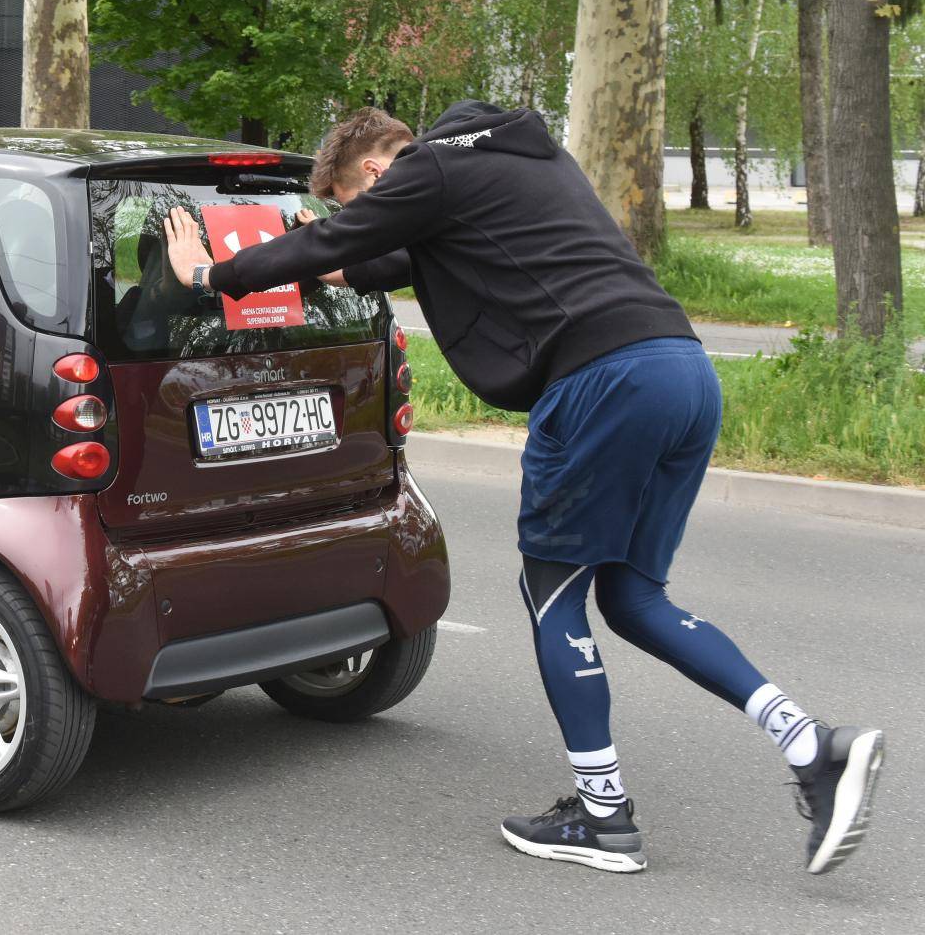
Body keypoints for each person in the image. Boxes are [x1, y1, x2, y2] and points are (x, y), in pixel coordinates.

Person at [164, 102, 884, 875]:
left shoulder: (429, 170)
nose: (361, 214)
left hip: (601, 382)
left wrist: (207, 273)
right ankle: (812, 743)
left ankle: (603, 816)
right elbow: (364, 261)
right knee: (636, 599)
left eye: (354, 202)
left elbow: (338, 240)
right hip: (681, 370)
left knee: (552, 594)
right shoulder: (516, 164)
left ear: (374, 172)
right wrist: (290, 247)